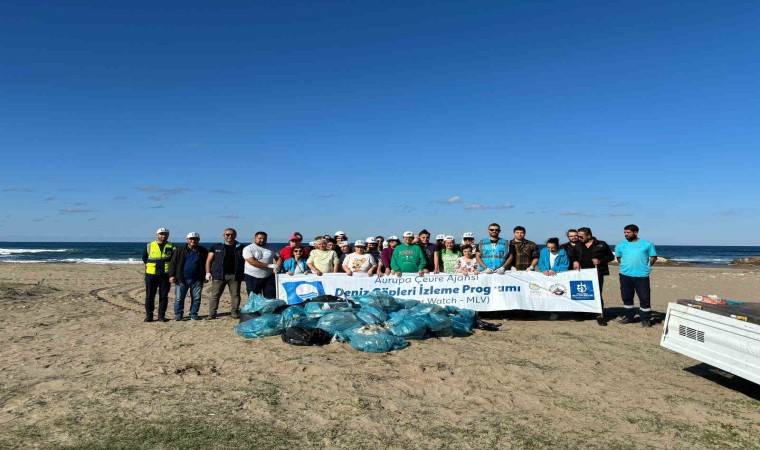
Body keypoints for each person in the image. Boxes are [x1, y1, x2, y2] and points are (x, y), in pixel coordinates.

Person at [567, 227, 615, 326]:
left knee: (597, 292)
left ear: (589, 236)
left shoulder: (601, 244)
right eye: (578, 236)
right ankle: (581, 313)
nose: (579, 238)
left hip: (597, 272)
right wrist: (575, 261)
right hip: (581, 273)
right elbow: (573, 255)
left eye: (581, 236)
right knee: (581, 293)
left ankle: (599, 315)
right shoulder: (578, 245)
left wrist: (600, 261)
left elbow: (610, 256)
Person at [615, 224, 658, 327]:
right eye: (625, 232)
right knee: (626, 297)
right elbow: (619, 258)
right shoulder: (620, 245)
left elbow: (653, 257)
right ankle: (629, 316)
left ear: (635, 232)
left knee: (644, 298)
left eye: (628, 232)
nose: (626, 234)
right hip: (625, 275)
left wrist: (647, 267)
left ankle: (645, 319)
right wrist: (625, 266)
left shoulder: (647, 244)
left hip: (642, 276)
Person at [205, 228, 245, 319]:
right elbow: (209, 260)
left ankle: (234, 312)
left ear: (235, 236)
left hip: (235, 275)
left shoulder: (241, 247)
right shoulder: (216, 246)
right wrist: (208, 272)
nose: (230, 236)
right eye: (227, 234)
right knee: (215, 295)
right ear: (223, 235)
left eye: (232, 234)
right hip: (219, 275)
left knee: (235, 295)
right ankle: (212, 313)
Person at [168, 232, 209, 321]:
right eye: (191, 239)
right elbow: (173, 264)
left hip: (197, 279)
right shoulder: (179, 250)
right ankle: (178, 314)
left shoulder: (203, 251)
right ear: (187, 240)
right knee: (179, 298)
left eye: (195, 239)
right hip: (181, 279)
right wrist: (171, 275)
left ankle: (193, 314)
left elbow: (208, 263)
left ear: (198, 240)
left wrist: (207, 274)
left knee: (196, 298)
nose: (193, 241)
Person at [142, 227, 175, 322]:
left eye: (165, 234)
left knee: (163, 296)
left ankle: (161, 316)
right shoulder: (149, 245)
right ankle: (149, 316)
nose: (163, 236)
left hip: (165, 275)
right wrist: (151, 266)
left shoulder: (172, 246)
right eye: (161, 234)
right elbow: (144, 258)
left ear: (168, 235)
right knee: (149, 296)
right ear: (157, 235)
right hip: (151, 275)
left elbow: (174, 260)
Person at [242, 231, 280, 299]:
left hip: (269, 276)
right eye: (260, 238)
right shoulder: (248, 248)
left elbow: (279, 258)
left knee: (271, 297)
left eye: (264, 239)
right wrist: (269, 265)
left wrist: (278, 266)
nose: (262, 240)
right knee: (254, 298)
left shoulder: (272, 247)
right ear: (255, 238)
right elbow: (252, 262)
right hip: (252, 276)